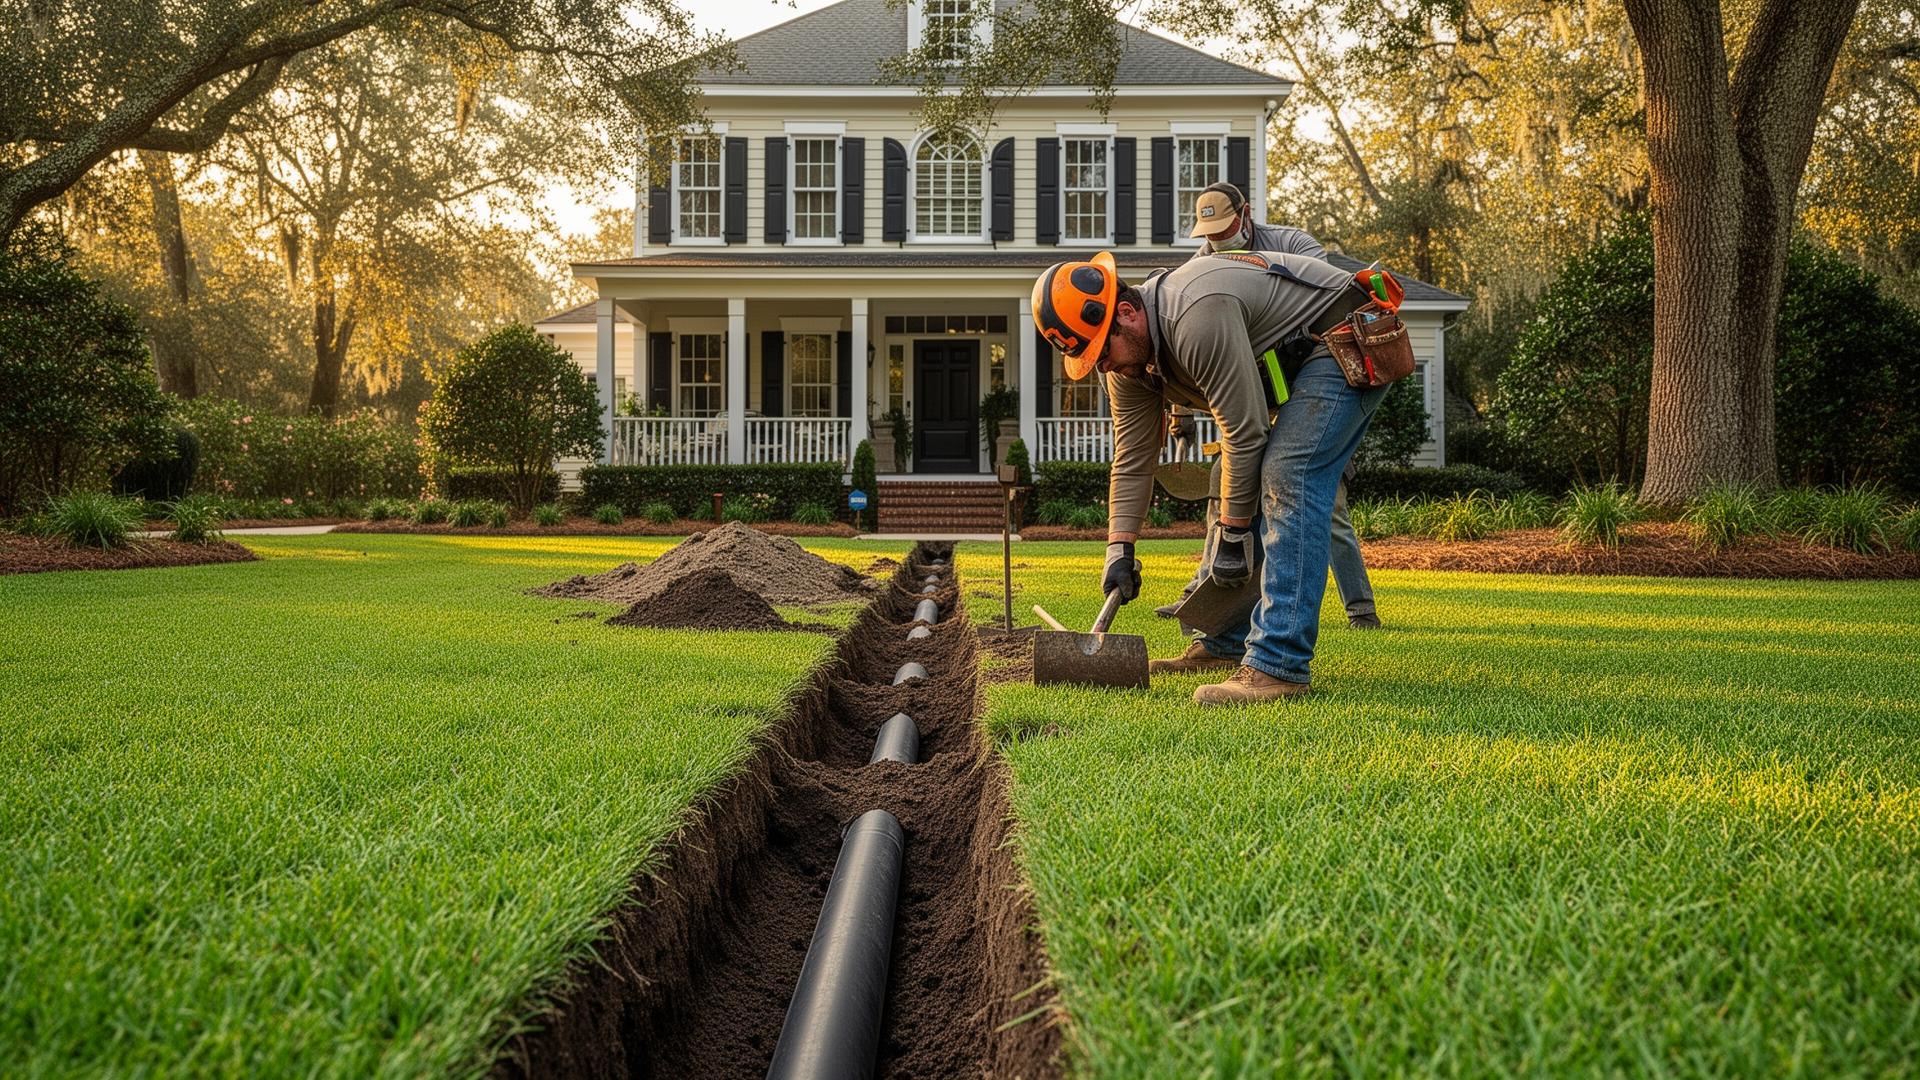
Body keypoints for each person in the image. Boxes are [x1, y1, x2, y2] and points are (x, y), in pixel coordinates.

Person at [1030, 249, 1388, 704]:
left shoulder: (1196, 315)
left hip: (1344, 334)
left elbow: (1245, 432)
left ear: (1126, 312)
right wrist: (1119, 551)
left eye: (1102, 351)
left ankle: (1279, 665)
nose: (1103, 367)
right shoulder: (1127, 367)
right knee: (1237, 483)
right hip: (1294, 362)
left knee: (1288, 476)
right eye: (1091, 359)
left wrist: (1235, 533)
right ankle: (1224, 645)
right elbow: (1133, 458)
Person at [1152, 182, 1382, 629]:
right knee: (1227, 482)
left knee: (1316, 494)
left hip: (1319, 372)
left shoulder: (1291, 242)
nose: (1218, 239)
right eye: (1210, 232)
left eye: (1226, 227)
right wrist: (1179, 413)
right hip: (1260, 387)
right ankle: (1204, 590)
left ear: (1247, 213)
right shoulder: (1201, 265)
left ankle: (1359, 607)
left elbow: (1325, 296)